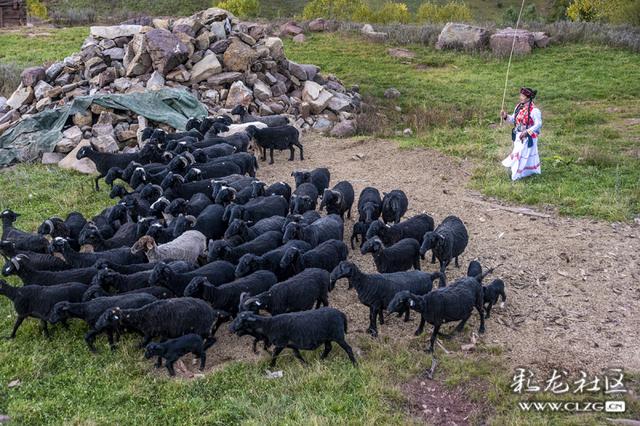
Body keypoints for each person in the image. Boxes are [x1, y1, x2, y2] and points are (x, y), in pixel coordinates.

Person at [500, 87, 542, 181]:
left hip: (529, 137)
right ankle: (523, 173)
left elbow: (538, 124)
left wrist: (527, 132)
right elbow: (513, 119)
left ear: (528, 97)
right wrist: (506, 116)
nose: (520, 97)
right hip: (518, 136)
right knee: (519, 154)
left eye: (523, 96)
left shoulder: (534, 111)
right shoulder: (518, 107)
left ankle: (516, 175)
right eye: (520, 95)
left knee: (521, 154)